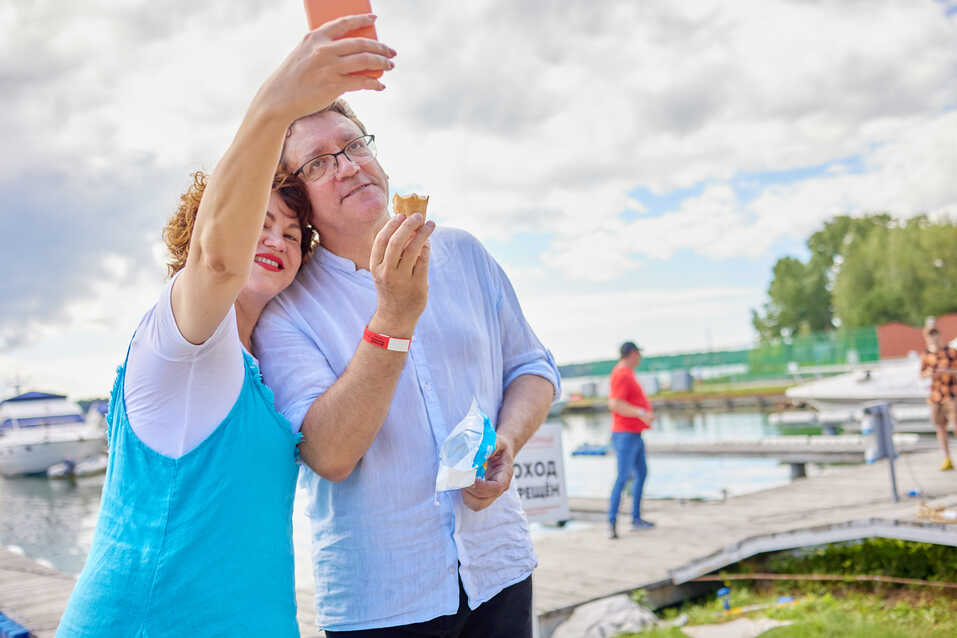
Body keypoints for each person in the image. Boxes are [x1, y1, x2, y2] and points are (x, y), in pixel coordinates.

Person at [57, 15, 404, 636]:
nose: (277, 241)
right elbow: (218, 260)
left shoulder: (261, 361)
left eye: (292, 233)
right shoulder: (184, 341)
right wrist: (277, 103)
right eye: (259, 224)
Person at [254, 101, 561, 635]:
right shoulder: (286, 308)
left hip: (499, 565)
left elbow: (532, 367)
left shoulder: (463, 253)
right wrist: (394, 316)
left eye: (354, 145)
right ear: (297, 199)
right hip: (382, 597)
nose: (349, 165)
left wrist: (508, 442)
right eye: (319, 162)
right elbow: (330, 455)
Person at [606, 341, 655, 539]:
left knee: (641, 473)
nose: (640, 358)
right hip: (625, 435)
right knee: (623, 477)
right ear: (633, 353)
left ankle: (636, 518)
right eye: (639, 354)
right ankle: (612, 522)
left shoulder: (628, 373)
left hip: (634, 434)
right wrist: (642, 413)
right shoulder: (621, 374)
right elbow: (615, 404)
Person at [919, 326, 957, 471]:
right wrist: (929, 373)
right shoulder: (926, 355)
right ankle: (947, 458)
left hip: (952, 394)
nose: (933, 338)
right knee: (940, 427)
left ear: (939, 335)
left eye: (935, 335)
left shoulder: (951, 352)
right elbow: (922, 374)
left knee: (955, 425)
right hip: (936, 396)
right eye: (930, 336)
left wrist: (947, 371)